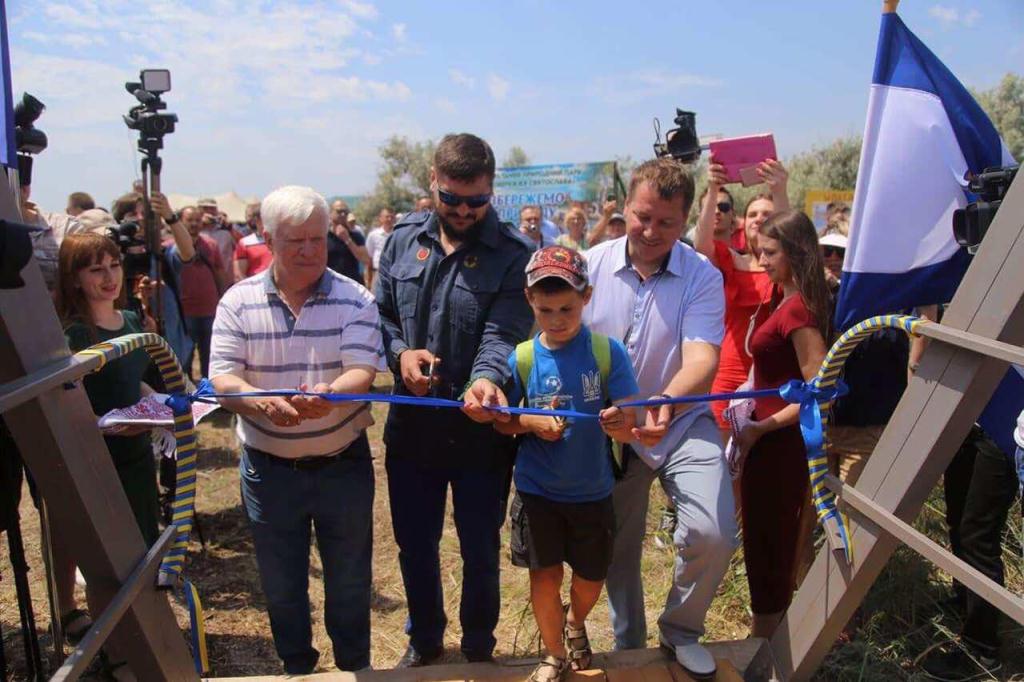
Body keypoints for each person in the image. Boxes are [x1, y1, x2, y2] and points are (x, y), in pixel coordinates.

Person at [209, 185, 385, 674]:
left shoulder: (356, 299)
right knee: (283, 584)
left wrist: (330, 394)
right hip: (269, 471)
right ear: (266, 237)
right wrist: (259, 402)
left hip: (342, 467)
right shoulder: (237, 302)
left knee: (350, 582)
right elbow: (222, 375)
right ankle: (298, 668)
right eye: (295, 242)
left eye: (317, 238)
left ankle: (354, 668)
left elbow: (362, 372)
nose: (309, 251)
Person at [375, 133, 534, 667]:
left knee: (479, 548)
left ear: (491, 191)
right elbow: (382, 316)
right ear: (432, 184)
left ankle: (478, 648)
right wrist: (399, 355)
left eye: (476, 201)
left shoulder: (514, 255)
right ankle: (424, 640)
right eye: (452, 199)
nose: (464, 211)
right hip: (413, 428)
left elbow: (504, 332)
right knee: (414, 544)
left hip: (479, 433)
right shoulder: (399, 241)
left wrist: (486, 380)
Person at [583, 158, 735, 681]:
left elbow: (702, 360)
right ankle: (629, 647)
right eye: (642, 217)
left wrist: (663, 402)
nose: (650, 232)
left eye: (666, 223)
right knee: (616, 550)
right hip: (610, 430)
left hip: (684, 422)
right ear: (626, 207)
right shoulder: (589, 267)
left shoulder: (702, 276)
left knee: (713, 532)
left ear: (686, 220)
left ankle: (681, 630)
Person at [498, 246, 638, 682]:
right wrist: (529, 422)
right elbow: (503, 423)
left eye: (567, 309)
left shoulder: (606, 352)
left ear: (587, 297)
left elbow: (630, 413)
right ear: (529, 301)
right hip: (538, 491)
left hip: (592, 491)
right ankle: (553, 653)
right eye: (545, 310)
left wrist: (621, 420)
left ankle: (575, 622)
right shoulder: (521, 358)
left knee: (591, 578)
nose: (556, 319)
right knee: (544, 576)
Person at [54, 232, 162, 647]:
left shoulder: (132, 322)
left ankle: (143, 635)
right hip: (96, 461)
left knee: (141, 547)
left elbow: (133, 382)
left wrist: (161, 405)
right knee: (105, 562)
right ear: (74, 277)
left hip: (136, 457)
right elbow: (71, 407)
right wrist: (110, 424)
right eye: (95, 269)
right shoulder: (74, 337)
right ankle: (114, 647)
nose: (108, 276)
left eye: (113, 265)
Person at [731, 210, 829, 639]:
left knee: (771, 542)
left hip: (780, 446)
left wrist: (762, 428)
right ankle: (764, 638)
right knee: (760, 541)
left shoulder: (798, 312)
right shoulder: (782, 299)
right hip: (764, 441)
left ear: (794, 253)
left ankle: (768, 646)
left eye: (770, 252)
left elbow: (819, 388)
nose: (762, 260)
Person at [693, 158, 789, 436]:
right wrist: (713, 189)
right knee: (724, 459)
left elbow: (791, 239)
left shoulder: (786, 268)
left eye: (767, 214)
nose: (759, 219)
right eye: (753, 214)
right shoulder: (729, 260)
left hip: (772, 373)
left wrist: (780, 190)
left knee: (764, 458)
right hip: (728, 371)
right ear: (742, 223)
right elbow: (701, 243)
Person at [166, 206, 227, 380]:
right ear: (181, 222)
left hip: (210, 310)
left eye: (197, 220)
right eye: (189, 220)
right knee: (183, 358)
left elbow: (220, 273)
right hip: (183, 314)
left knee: (211, 357)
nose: (193, 224)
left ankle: (211, 395)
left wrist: (223, 299)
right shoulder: (169, 248)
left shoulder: (211, 245)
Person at [327, 199, 371, 282]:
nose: (343, 214)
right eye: (339, 211)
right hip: (331, 286)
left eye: (345, 212)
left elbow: (366, 259)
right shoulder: (324, 237)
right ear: (330, 213)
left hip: (353, 285)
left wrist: (347, 240)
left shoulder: (356, 236)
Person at [233, 202, 273, 281]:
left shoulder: (280, 240)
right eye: (262, 219)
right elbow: (239, 274)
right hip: (255, 287)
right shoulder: (245, 243)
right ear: (256, 221)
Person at [364, 207, 396, 290]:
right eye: (387, 217)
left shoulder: (398, 234)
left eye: (392, 217)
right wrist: (368, 279)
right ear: (380, 218)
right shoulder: (373, 235)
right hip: (378, 273)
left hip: (395, 274)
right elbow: (369, 258)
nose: (389, 219)